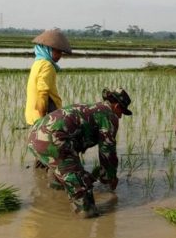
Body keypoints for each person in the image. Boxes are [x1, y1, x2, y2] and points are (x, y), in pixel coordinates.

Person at [27, 87, 133, 218]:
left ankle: (56, 197)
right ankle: (86, 216)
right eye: (121, 111)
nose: (120, 116)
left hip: (34, 137)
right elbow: (107, 150)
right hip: (53, 141)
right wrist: (110, 177)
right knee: (82, 188)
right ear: (117, 106)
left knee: (62, 173)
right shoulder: (109, 115)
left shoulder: (92, 108)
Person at [24, 28, 72, 126]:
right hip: (43, 118)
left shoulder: (38, 63)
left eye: (61, 52)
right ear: (47, 49)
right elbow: (43, 93)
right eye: (57, 51)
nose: (60, 55)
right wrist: (42, 122)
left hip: (32, 115)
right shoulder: (47, 66)